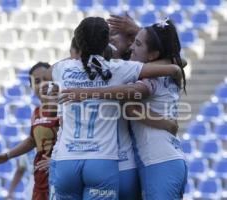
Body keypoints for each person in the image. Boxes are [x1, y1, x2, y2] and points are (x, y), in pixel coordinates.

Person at [44, 16, 182, 200]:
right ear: (105, 44)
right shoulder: (121, 69)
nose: (132, 46)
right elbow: (175, 66)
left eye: (136, 43)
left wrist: (87, 49)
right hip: (113, 163)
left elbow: (46, 73)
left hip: (69, 159)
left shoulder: (63, 69)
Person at [0, 62, 59, 200]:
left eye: (46, 79)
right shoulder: (37, 112)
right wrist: (7, 155)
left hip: (60, 178)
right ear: (32, 87)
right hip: (41, 179)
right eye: (37, 81)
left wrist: (58, 162)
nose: (42, 84)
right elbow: (32, 140)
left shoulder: (65, 108)